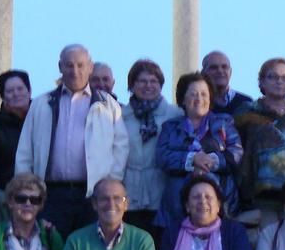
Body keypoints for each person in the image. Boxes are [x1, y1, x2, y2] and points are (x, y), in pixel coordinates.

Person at [15, 44, 129, 236]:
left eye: (80, 65)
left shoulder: (108, 106)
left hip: (93, 195)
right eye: (69, 65)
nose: (74, 71)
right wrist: (26, 188)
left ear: (90, 67)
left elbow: (121, 149)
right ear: (60, 67)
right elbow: (25, 150)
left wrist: (109, 185)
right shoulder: (41, 104)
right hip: (51, 194)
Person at [157, 72, 244, 227]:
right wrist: (192, 159)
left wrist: (211, 161)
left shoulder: (224, 122)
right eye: (193, 94)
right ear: (183, 99)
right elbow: (162, 156)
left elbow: (236, 152)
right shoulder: (170, 127)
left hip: (221, 204)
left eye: (204, 94)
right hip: (177, 208)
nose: (199, 99)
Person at [236, 58, 285, 227]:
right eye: (273, 76)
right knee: (269, 242)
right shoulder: (245, 113)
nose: (279, 81)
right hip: (263, 194)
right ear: (262, 81)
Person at [120, 59, 183, 236]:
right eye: (142, 81)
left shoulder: (175, 114)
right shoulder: (120, 117)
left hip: (162, 196)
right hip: (129, 196)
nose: (148, 85)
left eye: (153, 81)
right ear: (132, 85)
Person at [0, 70, 33, 191]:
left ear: (29, 91)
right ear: (3, 97)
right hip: (7, 193)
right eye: (10, 91)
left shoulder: (43, 120)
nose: (16, 94)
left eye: (20, 89)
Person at [202, 50, 253, 116]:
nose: (220, 71)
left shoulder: (246, 103)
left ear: (230, 72)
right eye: (214, 68)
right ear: (203, 73)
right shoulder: (198, 103)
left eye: (224, 67)